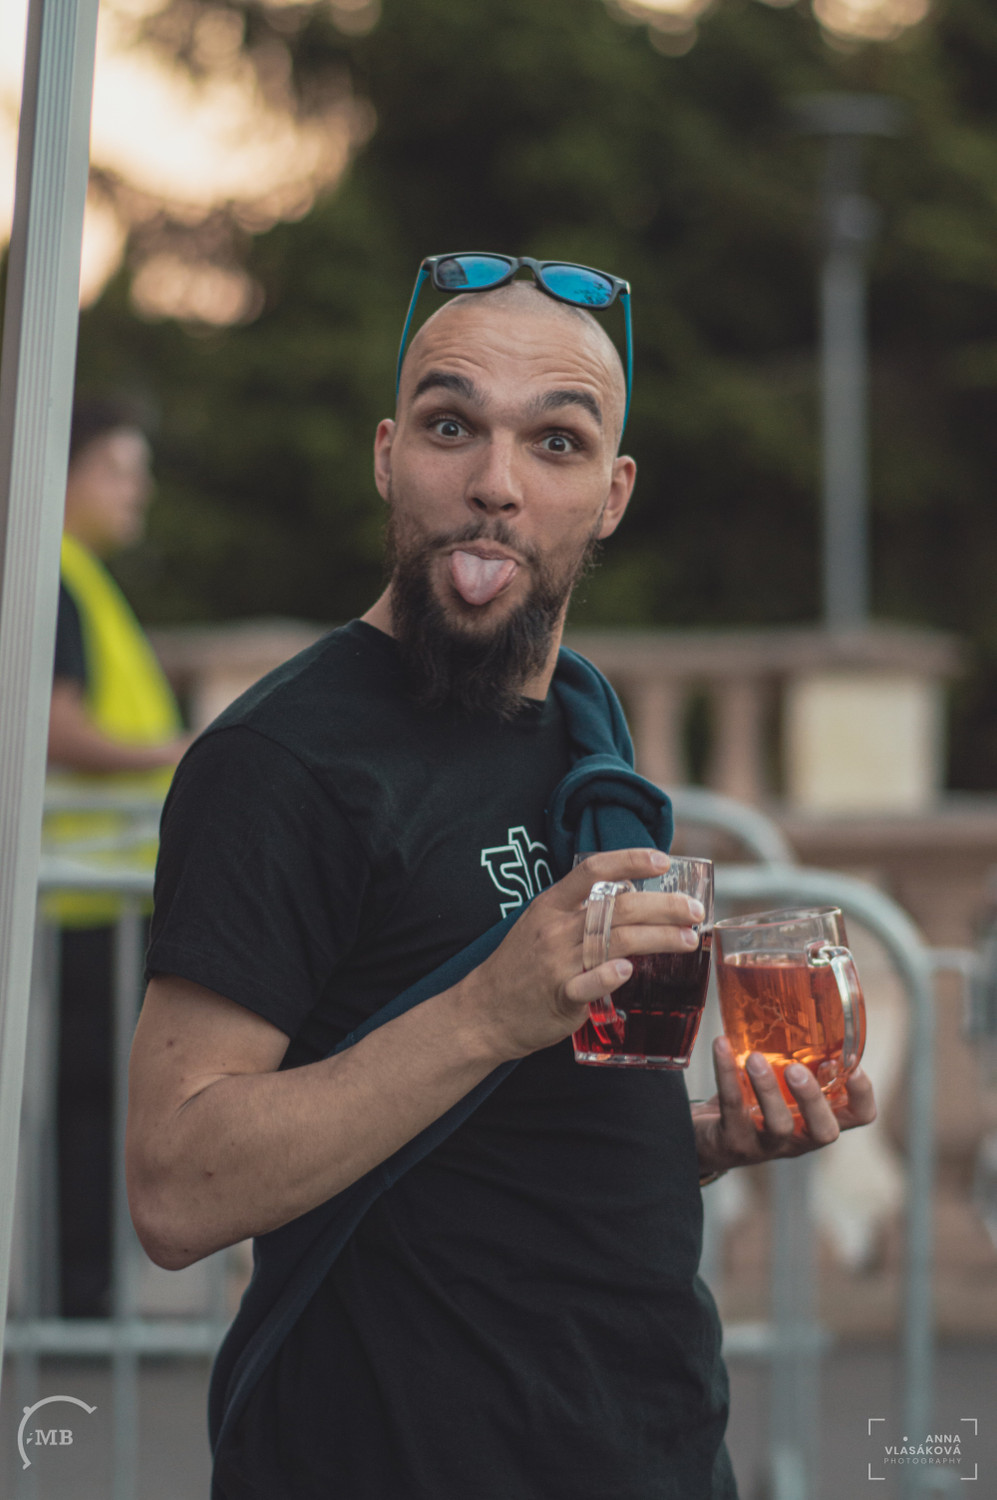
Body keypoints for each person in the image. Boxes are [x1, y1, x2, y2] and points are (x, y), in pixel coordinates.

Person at [126, 258, 877, 1499]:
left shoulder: (584, 735)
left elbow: (498, 1138)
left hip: (653, 1448)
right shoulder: (282, 761)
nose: (495, 482)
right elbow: (173, 1185)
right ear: (388, 456)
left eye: (557, 441)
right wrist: (485, 1010)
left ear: (613, 494)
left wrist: (691, 1142)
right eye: (450, 425)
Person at [48, 397, 188, 1317]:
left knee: (95, 1102)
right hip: (78, 896)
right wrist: (179, 754)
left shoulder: (80, 577)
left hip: (97, 891)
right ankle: (77, 1302)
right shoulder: (57, 578)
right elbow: (54, 727)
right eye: (118, 470)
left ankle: (82, 1299)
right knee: (87, 1104)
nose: (136, 490)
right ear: (66, 475)